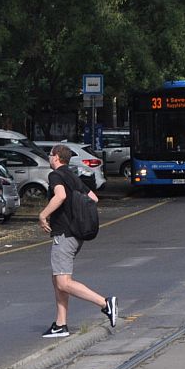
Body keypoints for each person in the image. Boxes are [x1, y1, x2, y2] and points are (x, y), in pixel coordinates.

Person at [37, 143, 116, 337]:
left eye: (50, 154)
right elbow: (93, 198)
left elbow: (60, 196)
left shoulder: (55, 175)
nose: (49, 157)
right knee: (57, 279)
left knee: (63, 282)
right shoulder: (72, 175)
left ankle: (105, 303)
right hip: (75, 234)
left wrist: (43, 215)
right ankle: (60, 324)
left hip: (65, 234)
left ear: (56, 157)